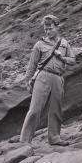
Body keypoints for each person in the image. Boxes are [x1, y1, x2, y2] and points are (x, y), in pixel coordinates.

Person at [20, 14, 75, 146]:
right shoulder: (39, 44)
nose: (48, 31)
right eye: (46, 29)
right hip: (42, 76)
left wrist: (62, 57)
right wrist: (28, 81)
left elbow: (73, 60)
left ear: (57, 27)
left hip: (58, 78)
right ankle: (24, 141)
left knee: (56, 109)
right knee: (35, 109)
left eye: (50, 28)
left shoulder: (64, 44)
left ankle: (54, 138)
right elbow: (32, 65)